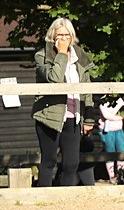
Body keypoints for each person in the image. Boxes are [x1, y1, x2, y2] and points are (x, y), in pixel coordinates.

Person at [32, 17, 95, 187]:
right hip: (49, 116)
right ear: (52, 36)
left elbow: (87, 89)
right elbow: (55, 79)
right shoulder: (42, 56)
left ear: (72, 36)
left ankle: (65, 199)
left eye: (67, 35)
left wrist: (89, 118)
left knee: (71, 163)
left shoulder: (80, 57)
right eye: (59, 35)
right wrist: (60, 54)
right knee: (49, 160)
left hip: (73, 116)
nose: (64, 39)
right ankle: (44, 199)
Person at [98, 95, 124, 181]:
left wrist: (117, 117)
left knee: (122, 151)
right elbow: (106, 115)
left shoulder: (120, 100)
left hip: (119, 129)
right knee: (109, 152)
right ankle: (111, 176)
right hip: (108, 130)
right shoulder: (103, 101)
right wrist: (118, 116)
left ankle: (120, 175)